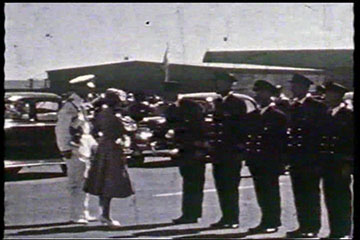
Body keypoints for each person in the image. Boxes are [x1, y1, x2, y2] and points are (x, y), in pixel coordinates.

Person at [285, 74, 328, 238]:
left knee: (310, 193)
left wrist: (318, 158)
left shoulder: (316, 106)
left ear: (304, 87)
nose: (292, 89)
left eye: (295, 86)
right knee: (299, 193)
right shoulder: (294, 107)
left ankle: (312, 227)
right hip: (297, 158)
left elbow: (321, 133)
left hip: (311, 158)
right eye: (292, 86)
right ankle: (303, 225)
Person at [84, 89, 135, 227]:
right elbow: (129, 129)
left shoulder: (101, 113)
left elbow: (94, 130)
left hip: (103, 147)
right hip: (113, 149)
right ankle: (105, 215)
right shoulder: (114, 115)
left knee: (102, 180)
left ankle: (103, 213)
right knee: (110, 182)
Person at [244, 80, 287, 234]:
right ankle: (265, 219)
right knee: (261, 192)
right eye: (257, 92)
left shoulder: (277, 115)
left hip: (270, 160)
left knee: (271, 192)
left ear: (270, 94)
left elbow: (281, 141)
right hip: (256, 160)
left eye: (262, 92)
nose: (258, 95)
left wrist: (281, 162)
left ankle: (273, 221)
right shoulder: (253, 115)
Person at [55, 74, 98, 224]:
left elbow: (85, 128)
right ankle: (76, 215)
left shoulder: (80, 104)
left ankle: (84, 213)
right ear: (78, 88)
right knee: (76, 182)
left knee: (84, 180)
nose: (89, 92)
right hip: (74, 146)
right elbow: (62, 129)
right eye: (86, 88)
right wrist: (64, 148)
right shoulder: (69, 105)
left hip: (84, 145)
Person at [319, 82, 353, 239]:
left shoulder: (348, 115)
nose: (326, 96)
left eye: (330, 93)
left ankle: (344, 231)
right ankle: (335, 231)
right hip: (327, 163)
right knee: (330, 197)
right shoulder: (326, 114)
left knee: (342, 198)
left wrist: (348, 163)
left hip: (341, 164)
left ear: (338, 96)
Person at [209, 93, 247, 229]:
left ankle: (232, 218)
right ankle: (226, 216)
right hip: (219, 152)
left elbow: (241, 128)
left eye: (222, 83)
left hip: (231, 152)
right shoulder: (218, 102)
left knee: (230, 187)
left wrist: (239, 149)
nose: (219, 87)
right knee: (221, 186)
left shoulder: (237, 102)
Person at [170, 98, 208, 224]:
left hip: (193, 155)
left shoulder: (195, 122)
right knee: (190, 185)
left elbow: (199, 139)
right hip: (187, 154)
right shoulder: (189, 121)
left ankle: (191, 214)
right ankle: (190, 213)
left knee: (193, 186)